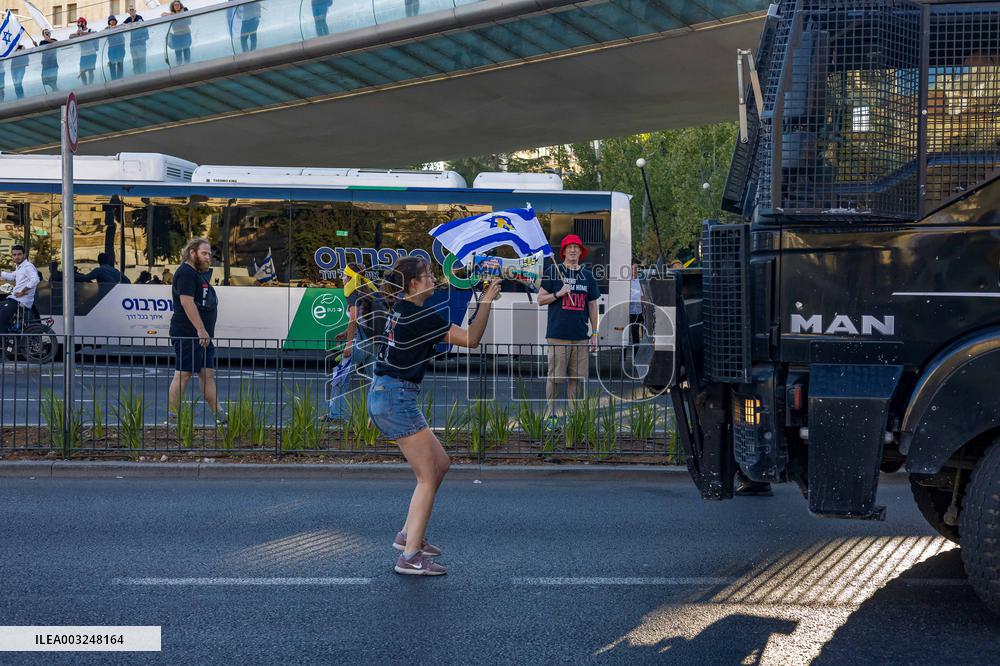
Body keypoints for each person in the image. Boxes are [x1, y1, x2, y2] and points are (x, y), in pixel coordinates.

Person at [368, 256, 501, 576]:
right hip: (395, 398)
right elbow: (471, 339)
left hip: (389, 394)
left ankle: (407, 536)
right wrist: (485, 301)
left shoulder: (401, 308)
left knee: (441, 464)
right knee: (427, 476)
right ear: (413, 283)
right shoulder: (419, 315)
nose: (434, 280)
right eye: (428, 276)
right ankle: (411, 557)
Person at [537, 234, 600, 426]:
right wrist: (558, 293)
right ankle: (551, 416)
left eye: (576, 247)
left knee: (576, 378)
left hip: (580, 336)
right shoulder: (552, 272)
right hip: (558, 335)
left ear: (581, 252)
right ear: (563, 251)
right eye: (569, 247)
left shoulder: (587, 276)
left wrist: (595, 333)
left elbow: (592, 305)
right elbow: (540, 300)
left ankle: (574, 417)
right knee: (555, 378)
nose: (573, 250)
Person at [167, 239, 224, 423]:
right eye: (204, 253)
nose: (209, 257)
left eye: (209, 254)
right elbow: (186, 302)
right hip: (188, 334)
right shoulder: (186, 273)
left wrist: (204, 332)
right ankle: (172, 417)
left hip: (201, 336)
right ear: (192, 252)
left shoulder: (195, 274)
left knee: (207, 374)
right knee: (183, 374)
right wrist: (201, 330)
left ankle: (220, 414)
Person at [326, 263, 386, 420]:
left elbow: (353, 318)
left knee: (340, 377)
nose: (343, 278)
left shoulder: (352, 292)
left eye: (344, 275)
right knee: (376, 381)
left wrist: (348, 343)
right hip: (375, 341)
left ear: (350, 277)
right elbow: (364, 318)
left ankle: (335, 414)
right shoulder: (368, 289)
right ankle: (380, 416)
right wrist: (346, 333)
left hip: (360, 342)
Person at [0, 245, 40, 336]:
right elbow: (12, 276)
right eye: (14, 255)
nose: (17, 257)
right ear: (12, 256)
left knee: (1, 318)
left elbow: (35, 280)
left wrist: (23, 291)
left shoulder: (28, 266)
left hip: (19, 300)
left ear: (24, 255)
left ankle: (3, 342)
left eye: (19, 254)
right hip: (15, 299)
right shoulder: (20, 267)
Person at [71, 18, 98, 85]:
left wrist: (83, 33)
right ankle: (85, 85)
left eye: (79, 23)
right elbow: (70, 37)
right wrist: (77, 34)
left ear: (84, 23)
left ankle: (91, 84)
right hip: (83, 54)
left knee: (90, 70)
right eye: (78, 23)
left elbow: (95, 34)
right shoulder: (78, 32)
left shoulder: (90, 30)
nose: (78, 24)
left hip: (91, 53)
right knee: (82, 71)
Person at [123, 7, 148, 75]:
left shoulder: (139, 17)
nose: (131, 12)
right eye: (130, 11)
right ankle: (136, 76)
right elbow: (122, 25)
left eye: (132, 10)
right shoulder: (129, 19)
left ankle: (143, 75)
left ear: (135, 11)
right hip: (133, 45)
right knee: (135, 61)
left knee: (142, 60)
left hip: (141, 44)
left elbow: (141, 24)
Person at [105, 16, 126, 80]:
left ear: (116, 21)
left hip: (120, 47)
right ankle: (113, 79)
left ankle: (120, 78)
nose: (112, 21)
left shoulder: (119, 27)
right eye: (111, 20)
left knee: (120, 63)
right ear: (109, 22)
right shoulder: (107, 29)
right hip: (112, 48)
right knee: (112, 64)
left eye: (114, 20)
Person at [628, 263, 643, 352]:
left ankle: (636, 352)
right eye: (633, 269)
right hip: (627, 310)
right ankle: (623, 353)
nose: (634, 271)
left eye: (636, 269)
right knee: (625, 332)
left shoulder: (640, 281)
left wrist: (644, 309)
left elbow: (642, 296)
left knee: (635, 331)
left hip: (638, 310)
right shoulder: (626, 282)